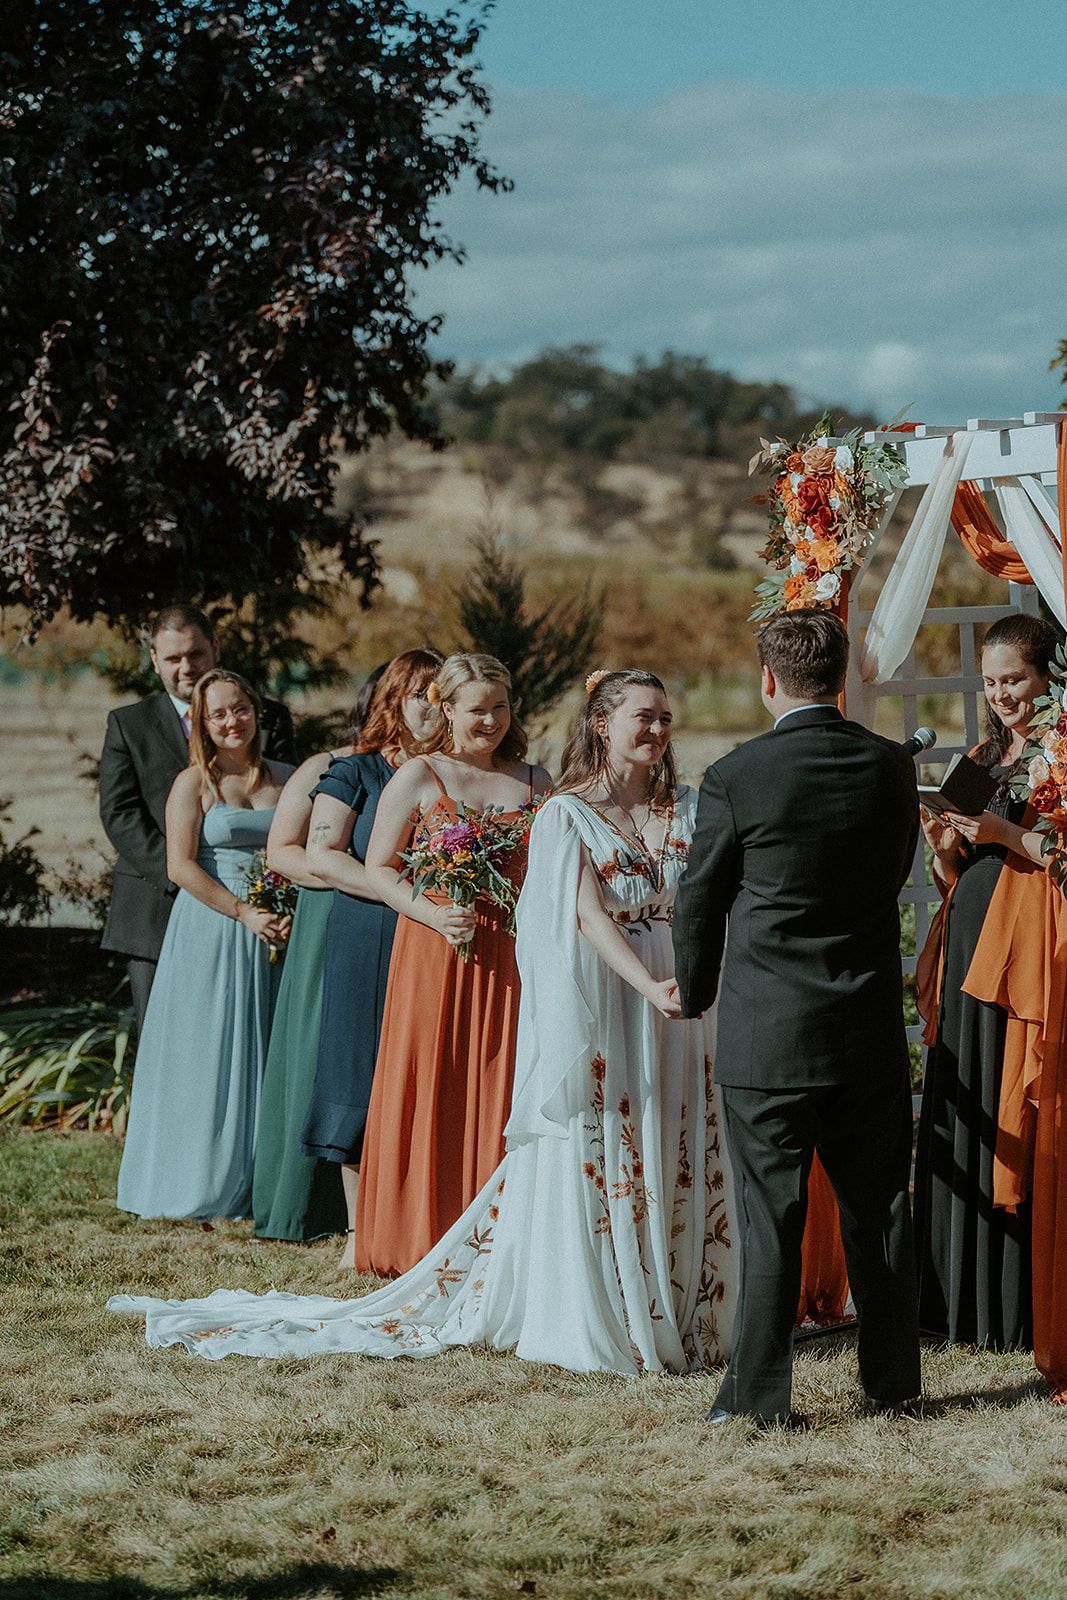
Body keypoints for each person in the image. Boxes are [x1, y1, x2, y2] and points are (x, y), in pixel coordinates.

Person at [108, 669, 738, 1374]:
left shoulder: (635, 798)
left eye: (664, 717)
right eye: (641, 717)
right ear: (601, 724)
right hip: (482, 954)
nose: (656, 729)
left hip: (595, 971)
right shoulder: (471, 786)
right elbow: (387, 867)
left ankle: (684, 1291)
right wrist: (432, 908)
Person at [673, 610, 921, 1428]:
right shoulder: (889, 767)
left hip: (766, 1033)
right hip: (863, 1028)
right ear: (842, 678)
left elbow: (699, 900)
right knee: (879, 1209)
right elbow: (890, 877)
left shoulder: (735, 774)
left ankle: (758, 1399)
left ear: (767, 679)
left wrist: (696, 990)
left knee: (769, 1217)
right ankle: (890, 1387)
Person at [353, 653, 552, 1277]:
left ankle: (499, 1235)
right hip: (436, 950)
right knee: (434, 1073)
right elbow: (379, 868)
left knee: (503, 1076)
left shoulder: (535, 781)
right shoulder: (420, 775)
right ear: (447, 710)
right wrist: (433, 914)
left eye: (500, 706)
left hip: (512, 953)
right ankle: (419, 1231)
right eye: (477, 709)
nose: (490, 719)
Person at [914, 613, 1060, 1353]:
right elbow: (963, 873)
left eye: (1016, 680)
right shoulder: (983, 754)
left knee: (1016, 1106)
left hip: (1027, 959)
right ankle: (956, 1303)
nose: (1003, 694)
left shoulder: (1059, 754)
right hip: (973, 948)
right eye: (993, 681)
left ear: (1047, 676)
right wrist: (946, 849)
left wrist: (1004, 835)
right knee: (968, 1105)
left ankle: (1012, 1306)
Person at [115, 671, 293, 1220]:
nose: (231, 722)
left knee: (271, 1047)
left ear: (255, 711)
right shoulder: (193, 784)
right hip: (213, 926)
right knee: (207, 1049)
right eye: (218, 715)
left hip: (279, 927)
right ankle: (197, 1179)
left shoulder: (289, 780)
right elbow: (180, 865)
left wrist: (284, 911)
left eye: (239, 709)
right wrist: (242, 911)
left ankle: (264, 1181)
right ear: (202, 723)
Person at [295, 649, 444, 1264]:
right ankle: (360, 1232)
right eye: (420, 694)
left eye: (442, 695)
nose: (431, 707)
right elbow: (323, 854)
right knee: (360, 1066)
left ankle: (425, 1218)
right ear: (394, 700)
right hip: (370, 929)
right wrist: (395, 893)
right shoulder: (355, 772)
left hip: (441, 938)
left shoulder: (456, 774)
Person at [99, 604, 295, 1033]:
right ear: (154, 660)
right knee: (163, 1037)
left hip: (256, 909)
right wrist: (186, 877)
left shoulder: (268, 718)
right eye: (173, 658)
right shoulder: (129, 724)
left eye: (196, 654)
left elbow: (285, 806)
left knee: (252, 1034)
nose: (186, 667)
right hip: (155, 906)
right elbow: (119, 812)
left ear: (215, 649)